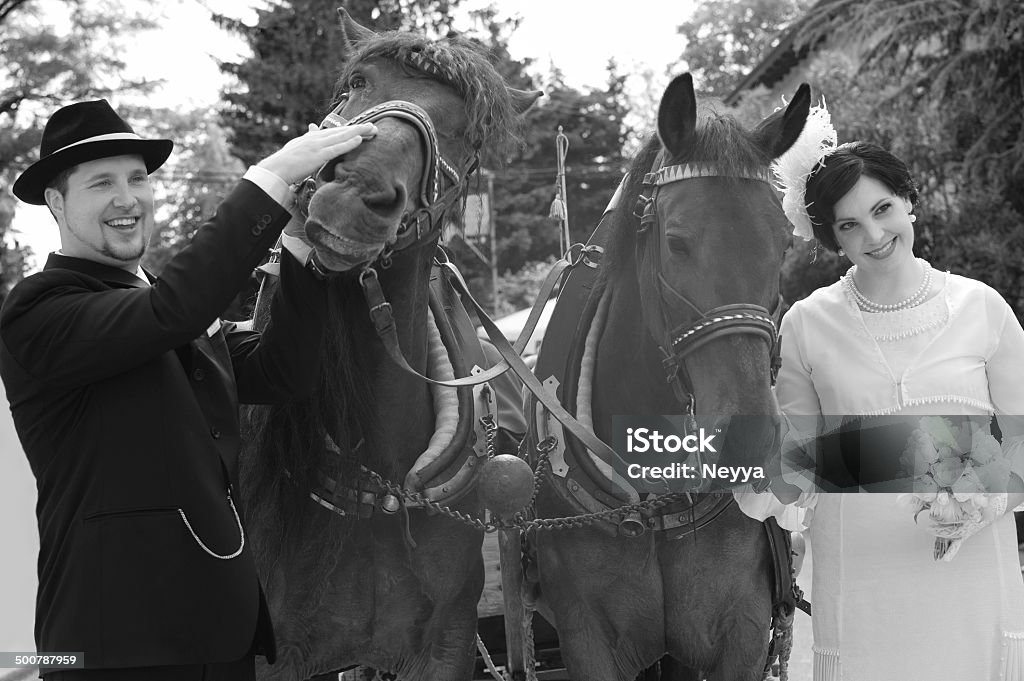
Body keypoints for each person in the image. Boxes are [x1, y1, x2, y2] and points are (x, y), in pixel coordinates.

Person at [0, 99, 375, 680]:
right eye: (101, 183)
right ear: (55, 202)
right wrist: (271, 178)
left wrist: (300, 243)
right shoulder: (39, 308)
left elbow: (283, 374)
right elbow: (172, 311)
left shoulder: (161, 304)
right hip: (115, 647)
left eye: (137, 179)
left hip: (221, 632)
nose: (127, 198)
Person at [759, 129, 1024, 679]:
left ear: (910, 201)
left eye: (883, 209)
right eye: (850, 225)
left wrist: (988, 501)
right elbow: (795, 461)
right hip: (858, 578)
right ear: (832, 238)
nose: (875, 235)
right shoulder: (807, 324)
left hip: (973, 573)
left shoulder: (981, 306)